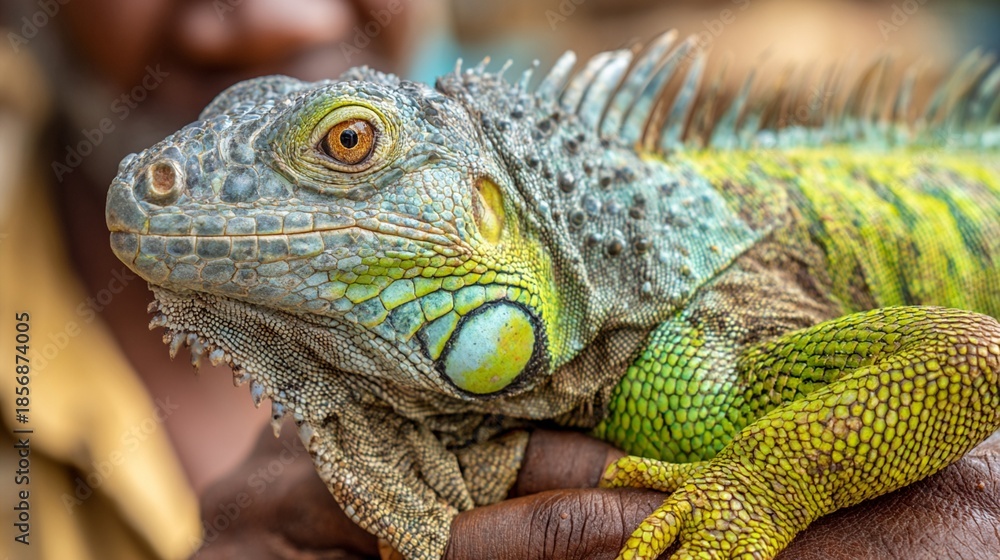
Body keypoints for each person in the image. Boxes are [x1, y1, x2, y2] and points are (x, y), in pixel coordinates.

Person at [1, 1, 998, 559]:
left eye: (346, 143)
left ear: (485, 209)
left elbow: (966, 355)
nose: (274, 13)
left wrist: (760, 490)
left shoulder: (687, 357)